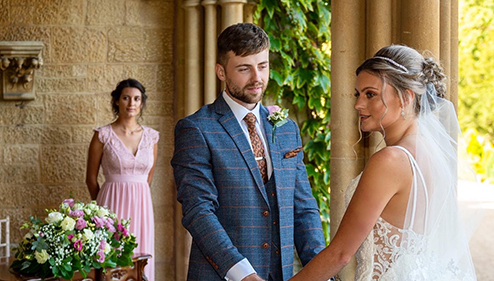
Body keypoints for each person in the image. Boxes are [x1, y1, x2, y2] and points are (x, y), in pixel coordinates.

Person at [289, 45, 478, 281]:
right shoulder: (431, 153)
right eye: (358, 94)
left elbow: (340, 254)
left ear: (406, 97)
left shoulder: (390, 161)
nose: (358, 104)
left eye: (370, 94)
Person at [171, 23, 325, 281]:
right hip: (222, 275)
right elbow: (199, 211)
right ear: (221, 71)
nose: (257, 78)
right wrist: (242, 274)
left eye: (263, 66)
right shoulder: (197, 128)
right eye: (244, 69)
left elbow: (303, 208)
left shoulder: (286, 129)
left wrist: (323, 272)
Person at [86, 78, 158, 281]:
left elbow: (148, 177)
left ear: (141, 103)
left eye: (136, 98)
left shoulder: (152, 137)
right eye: (126, 98)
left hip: (142, 206)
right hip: (110, 205)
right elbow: (91, 178)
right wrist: (102, 211)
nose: (131, 103)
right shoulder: (103, 135)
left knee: (140, 262)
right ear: (117, 101)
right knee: (111, 260)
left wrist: (138, 196)